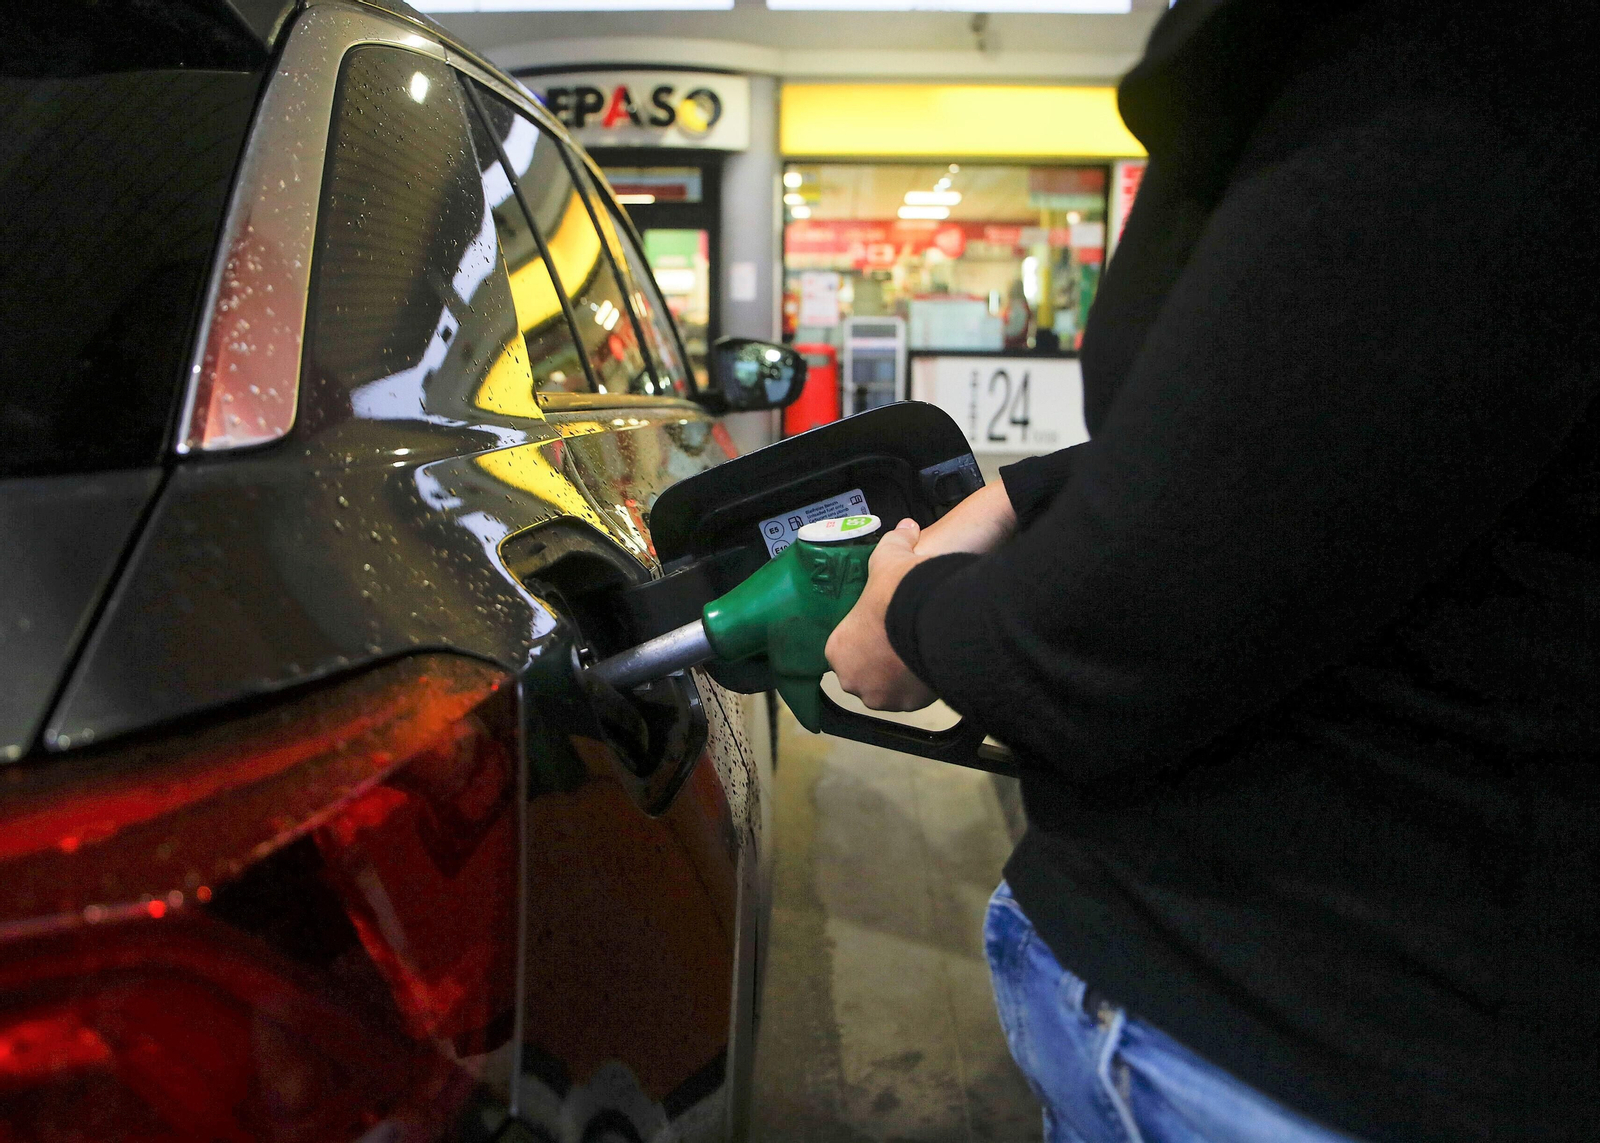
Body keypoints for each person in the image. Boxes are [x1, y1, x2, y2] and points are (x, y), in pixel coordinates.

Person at [824, 1, 1599, 1141]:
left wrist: (911, 608)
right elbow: (1312, 421)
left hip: (1296, 1043)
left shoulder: (1467, 56)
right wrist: (1022, 494)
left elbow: (1098, 644)